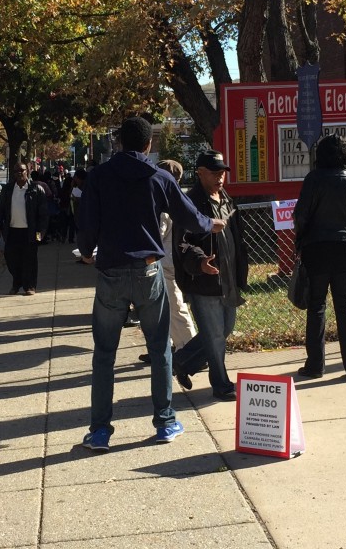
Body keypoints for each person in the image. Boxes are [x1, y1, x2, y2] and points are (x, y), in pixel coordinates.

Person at [76, 117, 223, 452]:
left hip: (111, 272)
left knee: (104, 354)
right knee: (160, 350)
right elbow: (188, 215)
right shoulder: (159, 177)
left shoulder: (98, 177)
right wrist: (210, 223)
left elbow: (86, 223)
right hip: (148, 271)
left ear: (119, 143)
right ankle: (165, 421)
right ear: (148, 145)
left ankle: (99, 431)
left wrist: (86, 252)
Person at [292, 134, 346, 381]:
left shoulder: (313, 178)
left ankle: (315, 365)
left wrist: (300, 244)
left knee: (316, 306)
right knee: (345, 305)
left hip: (316, 247)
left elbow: (300, 216)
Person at [172, 150, 248, 401]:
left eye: (222, 173)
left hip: (227, 278)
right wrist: (199, 262)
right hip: (203, 281)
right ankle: (221, 384)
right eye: (215, 173)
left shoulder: (226, 198)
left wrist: (240, 271)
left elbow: (237, 237)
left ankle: (181, 362)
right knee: (215, 335)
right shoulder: (190, 203)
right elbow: (182, 242)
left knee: (224, 329)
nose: (220, 178)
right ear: (200, 173)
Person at [138, 160, 198, 363]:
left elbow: (157, 233)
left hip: (165, 263)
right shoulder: (177, 197)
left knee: (174, 307)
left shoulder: (162, 201)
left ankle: (191, 351)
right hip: (171, 260)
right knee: (162, 310)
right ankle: (167, 347)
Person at [0, 162, 50, 295]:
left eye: (22, 170)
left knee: (30, 260)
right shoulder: (8, 189)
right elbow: (0, 210)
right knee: (11, 259)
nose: (19, 173)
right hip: (12, 231)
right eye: (16, 171)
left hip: (31, 232)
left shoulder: (36, 189)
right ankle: (17, 282)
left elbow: (43, 214)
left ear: (28, 172)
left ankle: (30, 286)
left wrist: (41, 232)